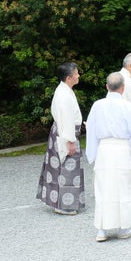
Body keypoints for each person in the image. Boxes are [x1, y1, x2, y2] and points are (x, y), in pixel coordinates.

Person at [86, 72, 131, 242]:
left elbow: (91, 130)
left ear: (107, 87)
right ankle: (124, 228)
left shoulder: (97, 105)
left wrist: (92, 153)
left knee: (103, 188)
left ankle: (101, 230)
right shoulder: (128, 106)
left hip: (104, 149)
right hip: (122, 150)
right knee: (125, 187)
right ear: (123, 88)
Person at [36, 61, 86, 215]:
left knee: (58, 168)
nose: (78, 75)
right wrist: (70, 141)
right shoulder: (64, 94)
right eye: (76, 73)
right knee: (66, 168)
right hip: (65, 134)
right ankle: (64, 205)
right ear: (69, 77)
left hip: (61, 131)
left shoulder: (63, 90)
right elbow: (67, 120)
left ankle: (59, 203)